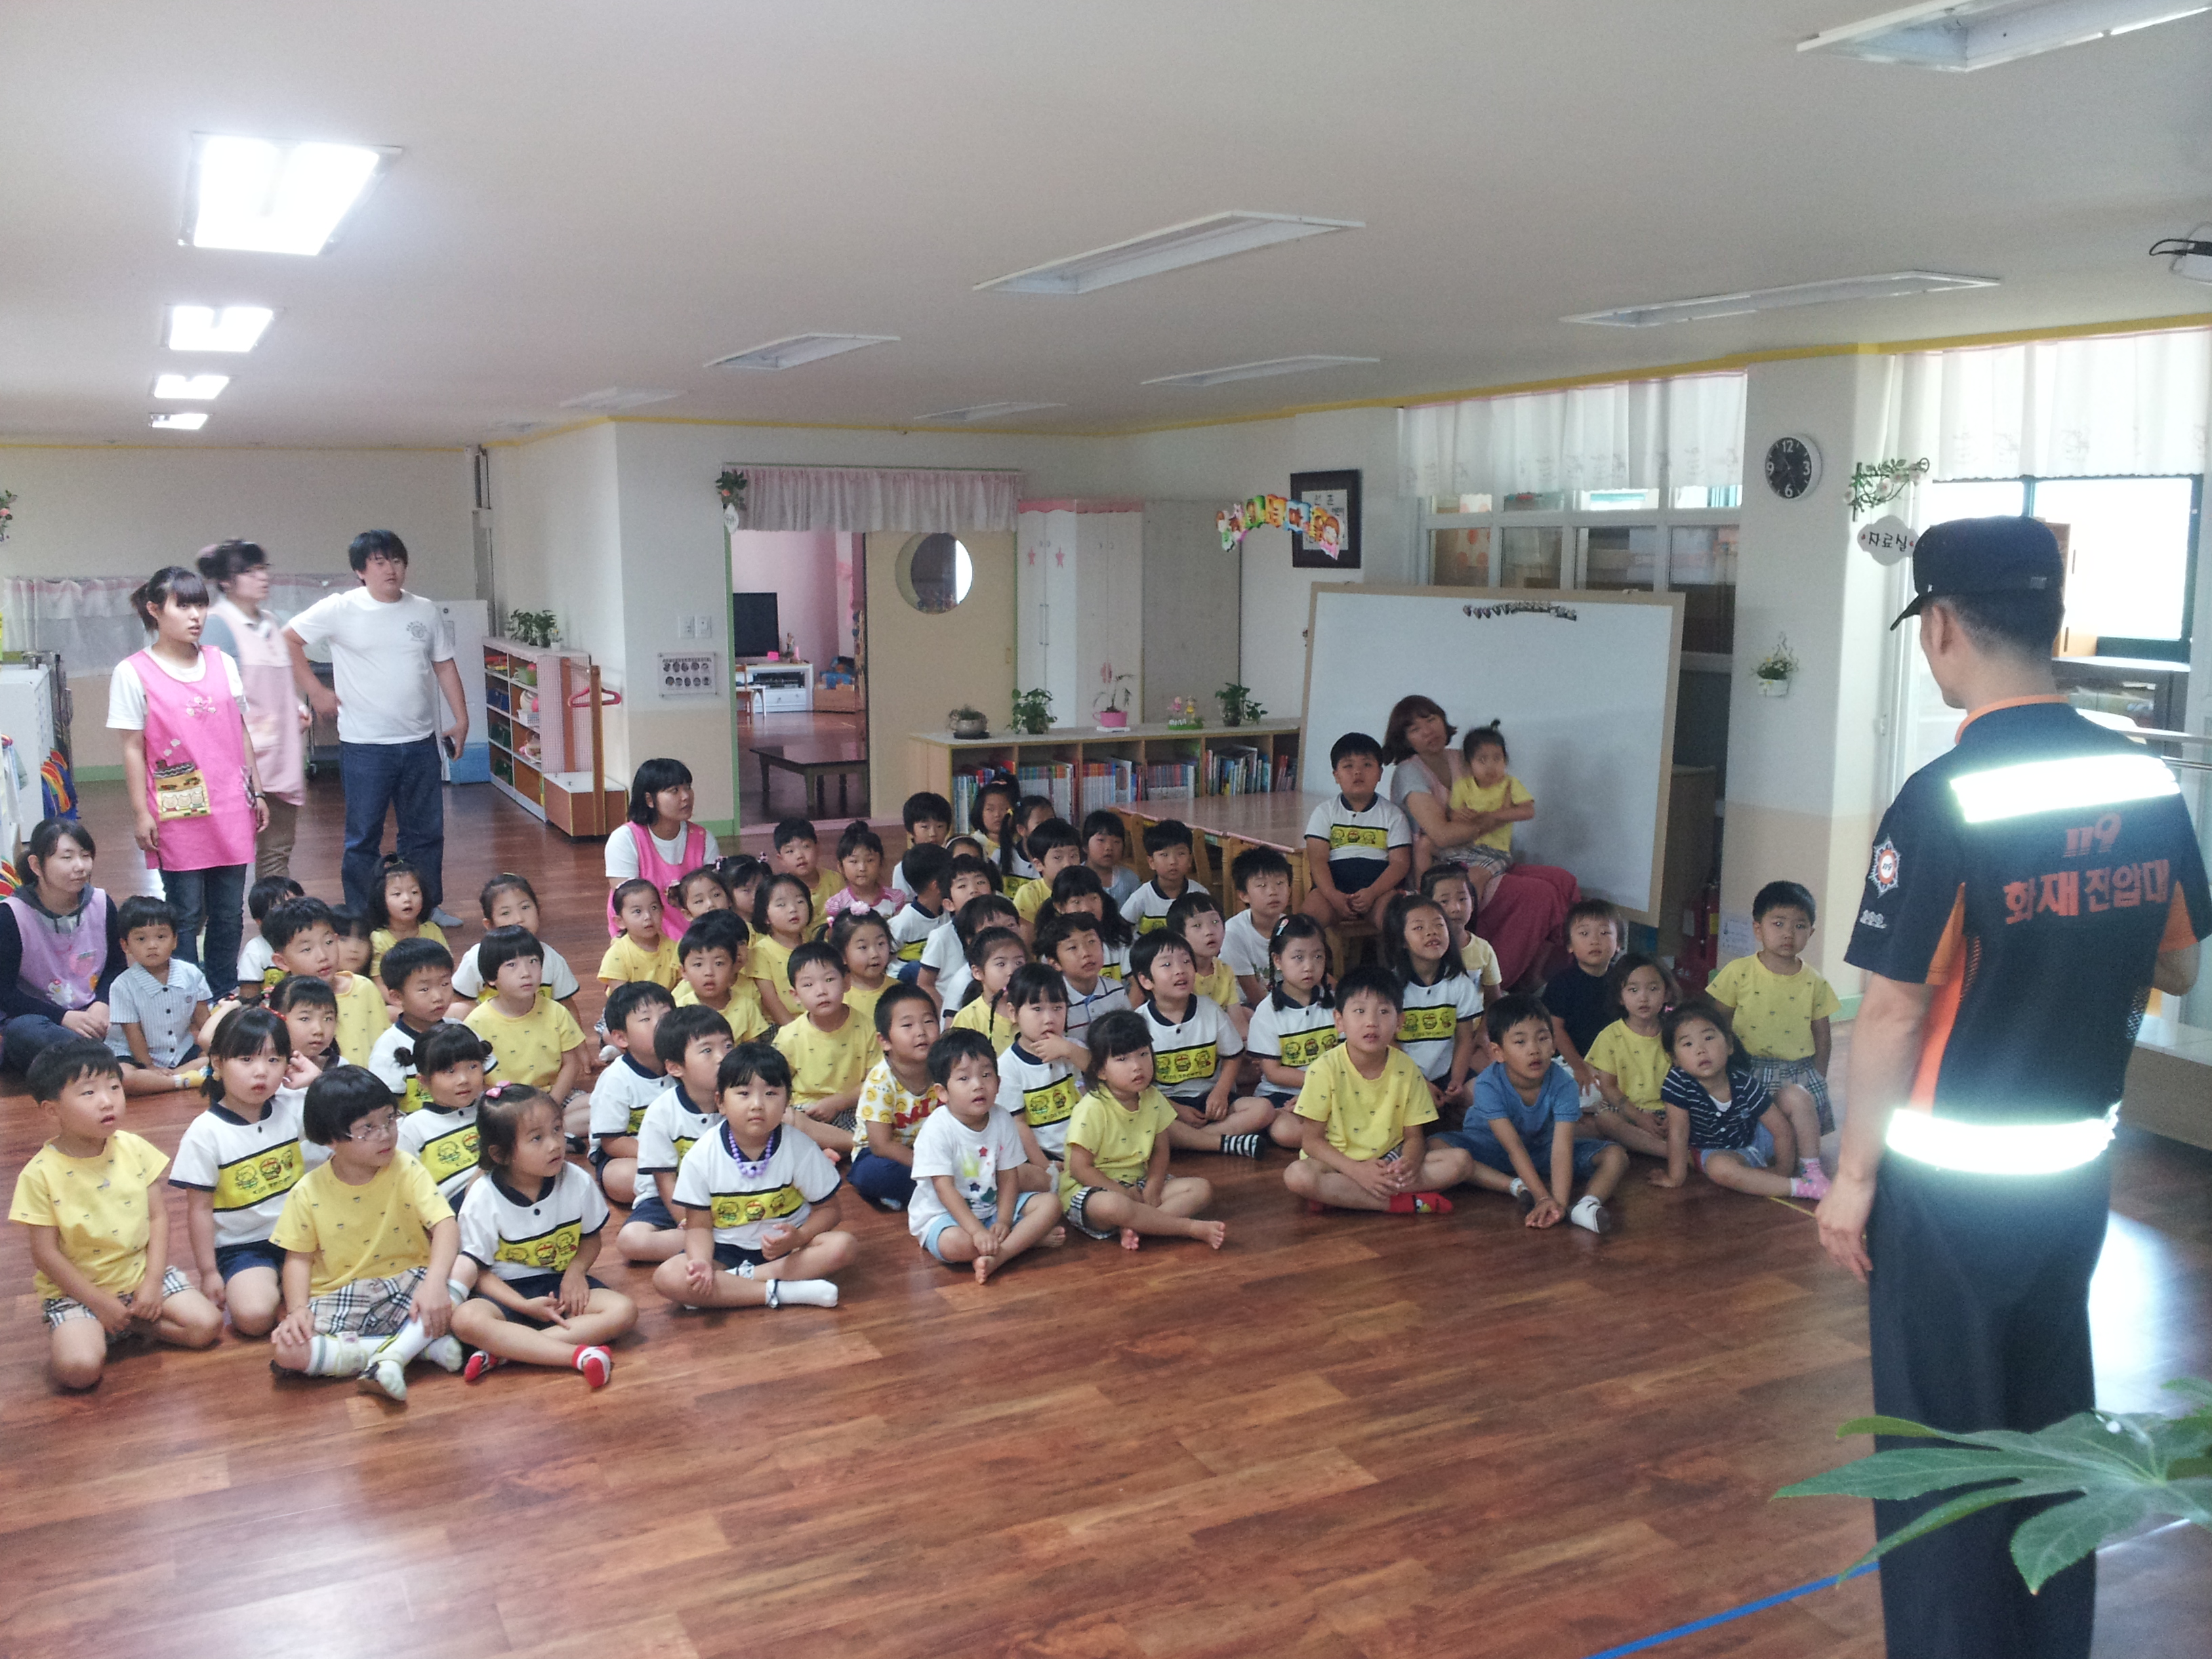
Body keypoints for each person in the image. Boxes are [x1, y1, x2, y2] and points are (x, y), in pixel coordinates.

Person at [1814, 516, 2209, 1659]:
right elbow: (2176, 963)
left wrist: (1850, 1180)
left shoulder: (1946, 795)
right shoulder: (2139, 775)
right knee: (2046, 1435)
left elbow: (1892, 1010)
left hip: (1946, 1185)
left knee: (1942, 1453)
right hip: (2074, 1170)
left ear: (1940, 626)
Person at [12, 1040, 224, 1387]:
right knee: (79, 1370)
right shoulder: (39, 1175)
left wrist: (152, 1284)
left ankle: (135, 1324)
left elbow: (158, 1218)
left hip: (138, 1275)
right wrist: (99, 1303)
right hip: (78, 1292)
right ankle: (101, 1327)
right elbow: (45, 1254)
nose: (107, 1101)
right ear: (52, 1110)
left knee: (207, 1326)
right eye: (88, 1093)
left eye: (114, 1087)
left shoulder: (134, 1148)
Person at [284, 531, 469, 922]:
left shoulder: (424, 610)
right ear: (360, 571)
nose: (391, 570)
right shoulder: (341, 608)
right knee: (363, 836)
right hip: (365, 745)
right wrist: (316, 691)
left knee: (424, 833)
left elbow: (444, 665)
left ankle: (425, 907)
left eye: (397, 561)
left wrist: (461, 717)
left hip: (419, 742)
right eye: (380, 562)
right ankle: (362, 913)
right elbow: (288, 640)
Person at [110, 565, 268, 999]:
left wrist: (256, 791)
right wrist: (141, 813)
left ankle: (223, 991)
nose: (196, 615)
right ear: (154, 610)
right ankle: (187, 996)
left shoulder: (222, 662)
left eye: (201, 605)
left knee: (229, 912)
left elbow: (240, 730)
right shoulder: (133, 671)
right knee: (185, 911)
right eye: (183, 606)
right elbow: (132, 747)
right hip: (176, 807)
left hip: (231, 802)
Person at [268, 1065, 469, 1402]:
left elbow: (445, 1225)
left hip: (410, 1284)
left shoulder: (406, 1167)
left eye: (390, 1119)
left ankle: (390, 1354)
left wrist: (434, 1283)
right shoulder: (307, 1191)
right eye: (367, 1128)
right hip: (343, 1294)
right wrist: (298, 1310)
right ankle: (411, 1349)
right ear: (330, 1138)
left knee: (464, 1272)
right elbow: (298, 1260)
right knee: (286, 1350)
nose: (386, 1134)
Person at [1382, 695, 1579, 987]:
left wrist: (1490, 818)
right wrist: (1495, 818)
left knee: (1564, 882)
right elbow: (1442, 835)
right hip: (1442, 867)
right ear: (1405, 739)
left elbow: (1504, 799)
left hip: (1485, 852)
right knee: (1538, 895)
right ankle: (1490, 986)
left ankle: (1550, 981)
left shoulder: (1461, 757)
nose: (1427, 731)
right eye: (1414, 729)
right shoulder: (1409, 771)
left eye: (1431, 720)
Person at [451, 1082, 634, 1388]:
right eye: (537, 1138)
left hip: (560, 1286)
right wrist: (522, 1305)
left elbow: (591, 1238)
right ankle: (575, 1355)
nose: (555, 1144)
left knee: (624, 1311)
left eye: (557, 1130)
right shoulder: (482, 1197)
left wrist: (575, 1273)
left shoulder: (577, 1181)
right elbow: (479, 1272)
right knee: (465, 1320)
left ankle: (508, 1351)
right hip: (505, 1294)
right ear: (500, 1154)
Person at [655, 1042, 854, 1311]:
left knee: (842, 1246)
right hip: (724, 1249)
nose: (757, 1105)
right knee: (668, 1276)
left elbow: (830, 1210)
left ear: (787, 1103)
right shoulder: (702, 1155)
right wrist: (701, 1262)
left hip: (787, 1251)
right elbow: (699, 1227)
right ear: (720, 1102)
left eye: (771, 1093)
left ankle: (735, 1285)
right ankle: (783, 1291)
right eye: (744, 1093)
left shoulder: (800, 1147)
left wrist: (799, 1237)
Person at [170, 1006, 327, 1338]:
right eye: (246, 1059)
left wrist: (317, 1082)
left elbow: (347, 1123)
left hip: (302, 1234)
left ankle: (288, 1290)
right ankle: (284, 1291)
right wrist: (209, 1272)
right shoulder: (205, 1133)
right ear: (217, 1063)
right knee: (253, 1318)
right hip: (243, 1246)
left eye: (274, 1060)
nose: (261, 1072)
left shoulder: (292, 1107)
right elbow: (199, 1210)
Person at [1431, 994, 1628, 1233]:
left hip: (1540, 1150)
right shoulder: (1487, 1085)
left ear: (1553, 1045)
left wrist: (1558, 1204)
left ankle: (1586, 1205)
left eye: (1542, 1038)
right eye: (1520, 1042)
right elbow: (1513, 1147)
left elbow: (1562, 1147)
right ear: (1498, 1052)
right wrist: (1542, 1197)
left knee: (1615, 1155)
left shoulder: (1564, 1084)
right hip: (1488, 1150)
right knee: (1435, 1145)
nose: (1534, 1050)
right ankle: (1515, 1186)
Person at [1279, 967, 1458, 1215]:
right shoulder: (1324, 1069)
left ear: (1400, 1022)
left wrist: (1409, 1163)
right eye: (1360, 1011)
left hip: (1390, 1160)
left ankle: (1343, 1196)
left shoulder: (1407, 1068)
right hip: (1339, 1163)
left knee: (1460, 1162)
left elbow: (1414, 1136)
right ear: (1339, 1021)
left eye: (1384, 1012)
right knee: (1298, 1176)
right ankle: (1397, 1203)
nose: (1372, 1022)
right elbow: (1311, 1141)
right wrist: (1357, 1171)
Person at [1059, 1010, 1228, 1250]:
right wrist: (1121, 1192)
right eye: (1122, 1059)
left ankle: (1139, 1226)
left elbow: (1160, 1149)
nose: (1137, 1066)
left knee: (1201, 1189)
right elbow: (1079, 1169)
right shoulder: (1092, 1108)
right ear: (1100, 1070)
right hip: (1095, 1189)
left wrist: (1154, 1186)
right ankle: (1188, 1228)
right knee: (1113, 1207)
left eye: (1143, 1054)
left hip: (1139, 1181)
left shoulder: (1153, 1097)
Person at [909, 1027, 1065, 1282]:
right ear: (942, 1092)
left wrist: (1003, 1220)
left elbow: (1008, 1176)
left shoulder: (1002, 1118)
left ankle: (1001, 1253)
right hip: (946, 1216)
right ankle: (1022, 1242)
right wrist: (976, 1232)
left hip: (992, 1209)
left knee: (1051, 1204)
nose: (978, 1085)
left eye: (986, 1075)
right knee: (955, 1244)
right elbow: (944, 1189)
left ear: (999, 1082)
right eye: (964, 1078)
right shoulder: (937, 1129)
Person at [197, 540, 308, 879]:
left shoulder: (271, 622)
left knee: (277, 853)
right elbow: (215, 699)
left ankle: (275, 913)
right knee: (228, 857)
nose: (262, 577)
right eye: (249, 571)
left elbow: (275, 684)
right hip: (242, 762)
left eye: (263, 569)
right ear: (226, 581)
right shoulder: (217, 624)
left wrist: (295, 706)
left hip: (282, 757)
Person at [1650, 1000, 1828, 1202]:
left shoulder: (1743, 1082)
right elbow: (1678, 1133)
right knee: (1718, 1168)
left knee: (1797, 1095)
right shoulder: (1677, 1083)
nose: (1701, 1049)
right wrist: (1675, 1178)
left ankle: (1811, 1171)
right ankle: (1800, 1188)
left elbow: (1781, 1130)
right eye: (1688, 1044)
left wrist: (1782, 1170)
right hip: (1722, 1154)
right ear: (1675, 1059)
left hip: (1758, 1139)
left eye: (1708, 1038)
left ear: (1729, 1045)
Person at [1705, 880, 1841, 1134]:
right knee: (1751, 1132)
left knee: (1800, 1131)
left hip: (1799, 1070)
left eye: (1799, 926)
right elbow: (1718, 1020)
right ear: (1758, 929)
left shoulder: (1815, 982)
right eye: (1778, 924)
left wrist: (1818, 1075)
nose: (1788, 933)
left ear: (1811, 933)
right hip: (1747, 1065)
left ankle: (1805, 1159)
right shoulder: (1738, 971)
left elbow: (1823, 1035)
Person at [1128, 931, 1271, 1158]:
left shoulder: (1210, 1009)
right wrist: (1176, 1110)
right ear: (1146, 980)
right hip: (1166, 1105)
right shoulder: (1139, 1023)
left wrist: (1221, 1092)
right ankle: (1219, 1142)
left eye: (1186, 961)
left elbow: (1233, 1057)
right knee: (1145, 1121)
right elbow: (1140, 1084)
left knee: (1263, 1110)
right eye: (1167, 965)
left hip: (1210, 1098)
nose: (1180, 970)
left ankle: (1191, 1141)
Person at [0, 819, 125, 1076]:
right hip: (44, 1019)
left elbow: (116, 966)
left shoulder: (101, 902)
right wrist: (63, 1018)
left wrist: (102, 1003)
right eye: (67, 858)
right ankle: (106, 1059)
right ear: (36, 865)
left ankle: (87, 1061)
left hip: (95, 1014)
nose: (80, 866)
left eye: (86, 855)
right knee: (24, 1033)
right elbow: (5, 993)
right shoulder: (12, 915)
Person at [615, 1006, 733, 1263]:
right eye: (707, 1050)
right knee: (632, 1240)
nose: (722, 1057)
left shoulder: (740, 1100)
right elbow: (665, 1181)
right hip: (671, 1199)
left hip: (731, 1196)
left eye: (728, 1046)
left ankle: (726, 1241)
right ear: (675, 1067)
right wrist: (689, 1224)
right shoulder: (662, 1112)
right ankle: (729, 1242)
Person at [1380, 892, 1483, 1115]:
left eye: (1439, 925)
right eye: (1419, 927)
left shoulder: (1459, 983)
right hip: (1404, 1073)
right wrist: (1419, 1082)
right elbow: (1389, 1044)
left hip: (1446, 1073)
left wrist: (1456, 1082)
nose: (1432, 932)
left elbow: (1465, 1039)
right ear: (1402, 941)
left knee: (1481, 1095)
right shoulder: (1391, 986)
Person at [463, 928, 586, 1110]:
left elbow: (571, 1064)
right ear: (490, 977)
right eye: (512, 965)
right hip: (503, 1104)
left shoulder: (556, 1011)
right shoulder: (476, 1022)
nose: (526, 972)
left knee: (597, 1106)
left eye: (533, 961)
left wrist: (552, 1104)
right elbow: (472, 1074)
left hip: (552, 1095)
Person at [1301, 732, 1412, 929]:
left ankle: (1389, 951)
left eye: (1367, 765)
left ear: (1380, 773)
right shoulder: (1324, 812)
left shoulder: (1393, 815)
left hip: (1379, 891)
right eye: (1348, 766)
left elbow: (1400, 863)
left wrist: (1372, 892)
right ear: (1336, 775)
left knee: (1396, 921)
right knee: (1305, 923)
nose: (1358, 772)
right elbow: (1317, 859)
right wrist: (1333, 896)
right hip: (1332, 890)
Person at [1246, 914, 1338, 1148]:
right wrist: (1315, 1087)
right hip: (1282, 1094)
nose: (1309, 966)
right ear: (1277, 960)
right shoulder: (1267, 1012)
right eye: (1298, 958)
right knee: (1285, 1131)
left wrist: (1322, 1091)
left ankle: (1331, 1136)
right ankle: (1338, 1139)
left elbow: (1350, 1055)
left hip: (1332, 1089)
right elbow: (1274, 1073)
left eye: (1318, 956)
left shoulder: (1337, 1004)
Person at [774, 940, 875, 1156]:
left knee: (883, 1120)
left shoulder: (867, 1028)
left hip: (853, 1108)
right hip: (808, 1114)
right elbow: (776, 1084)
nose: (821, 991)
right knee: (787, 1119)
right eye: (808, 985)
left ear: (846, 982)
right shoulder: (788, 1036)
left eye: (829, 980)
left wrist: (839, 1102)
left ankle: (830, 1150)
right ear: (795, 995)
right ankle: (855, 1146)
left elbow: (875, 1081)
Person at [104, 895, 213, 1094]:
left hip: (181, 1051)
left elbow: (203, 1019)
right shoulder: (122, 985)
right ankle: (182, 1079)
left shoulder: (192, 974)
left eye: (161, 937)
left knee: (216, 1059)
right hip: (135, 1056)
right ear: (125, 945)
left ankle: (170, 1078)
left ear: (175, 940)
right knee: (124, 1077)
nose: (152, 945)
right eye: (141, 939)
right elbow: (133, 1033)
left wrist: (213, 1051)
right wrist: (149, 1067)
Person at [849, 983, 943, 1212]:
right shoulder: (880, 1081)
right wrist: (929, 1167)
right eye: (908, 1025)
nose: (921, 1031)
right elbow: (881, 1145)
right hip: (885, 1155)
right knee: (871, 1174)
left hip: (935, 1150)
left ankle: (936, 1191)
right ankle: (944, 1190)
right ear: (885, 1041)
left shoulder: (944, 1068)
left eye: (928, 1021)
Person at [602, 758, 717, 940]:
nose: (686, 796)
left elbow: (716, 896)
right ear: (650, 800)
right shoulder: (625, 839)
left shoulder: (704, 838)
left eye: (688, 787)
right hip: (644, 939)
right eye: (674, 791)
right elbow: (628, 904)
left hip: (697, 939)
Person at [995, 963, 1090, 1181]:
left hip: (1088, 1146)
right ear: (1013, 1013)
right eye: (1037, 1009)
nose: (1049, 1019)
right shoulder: (1008, 1067)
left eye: (1058, 1008)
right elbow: (1019, 1125)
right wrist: (1045, 1165)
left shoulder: (1073, 1048)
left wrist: (1069, 1051)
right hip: (1046, 1156)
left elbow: (1104, 1074)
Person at [587, 980, 676, 1205]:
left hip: (679, 1146)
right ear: (621, 1038)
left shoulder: (682, 1066)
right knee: (622, 1177)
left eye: (666, 1016)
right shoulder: (616, 1078)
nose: (660, 1024)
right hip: (626, 1153)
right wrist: (662, 1154)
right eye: (646, 1019)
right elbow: (613, 1142)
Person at [1581, 954, 1676, 1160]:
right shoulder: (1610, 1036)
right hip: (1626, 1109)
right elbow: (1608, 1087)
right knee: (1605, 1119)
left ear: (1667, 993)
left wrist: (1675, 1114)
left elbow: (1685, 1080)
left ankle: (1646, 1142)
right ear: (1620, 997)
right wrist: (1639, 1117)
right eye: (1633, 990)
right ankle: (1671, 1152)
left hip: (1669, 1110)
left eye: (1653, 989)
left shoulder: (1675, 1032)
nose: (1643, 998)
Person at [451, 874, 582, 1019]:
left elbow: (567, 1006)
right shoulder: (475, 958)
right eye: (505, 913)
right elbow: (459, 1001)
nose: (519, 919)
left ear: (538, 911)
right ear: (490, 925)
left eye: (525, 907)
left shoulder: (552, 958)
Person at [393, 1024, 491, 1204]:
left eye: (472, 1067)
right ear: (423, 1081)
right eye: (450, 1071)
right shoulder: (413, 1128)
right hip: (452, 1207)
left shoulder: (492, 1108)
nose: (463, 1080)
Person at [1445, 722, 1536, 905]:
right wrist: (1459, 816)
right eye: (1482, 760)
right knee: (1425, 846)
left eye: (1497, 759)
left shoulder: (1510, 784)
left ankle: (1472, 918)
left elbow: (1528, 811)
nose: (1491, 766)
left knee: (1473, 878)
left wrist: (1495, 815)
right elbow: (1452, 814)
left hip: (1496, 852)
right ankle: (1419, 896)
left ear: (1505, 760)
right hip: (1466, 846)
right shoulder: (1464, 786)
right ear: (1469, 764)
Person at [1545, 899, 1623, 1097]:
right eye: (1584, 934)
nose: (1595, 940)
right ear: (1570, 945)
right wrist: (1579, 1066)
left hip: (1612, 1062)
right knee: (1581, 1095)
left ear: (1619, 944)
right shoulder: (1562, 983)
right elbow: (1555, 1029)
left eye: (1604, 933)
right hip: (1570, 1059)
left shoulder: (1623, 982)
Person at [1035, 911, 1128, 1050]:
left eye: (1092, 942)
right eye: (1073, 947)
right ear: (1055, 963)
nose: (1086, 953)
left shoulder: (1116, 991)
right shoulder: (1052, 1002)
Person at [673, 910, 768, 1039]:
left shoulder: (746, 1006)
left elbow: (753, 1048)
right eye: (698, 965)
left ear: (734, 967)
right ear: (684, 972)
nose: (709, 972)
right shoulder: (679, 1010)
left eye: (719, 963)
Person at [1223, 846, 1295, 1006]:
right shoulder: (1234, 933)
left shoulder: (1293, 927)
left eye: (1280, 883)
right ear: (1244, 895)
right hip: (1246, 1006)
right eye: (1262, 885)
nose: (1273, 892)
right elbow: (1254, 996)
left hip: (1287, 1002)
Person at [745, 873, 813, 1025]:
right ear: (765, 916)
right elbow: (772, 1003)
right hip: (783, 1027)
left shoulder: (815, 942)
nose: (793, 909)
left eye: (800, 901)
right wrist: (798, 1035)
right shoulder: (760, 952)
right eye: (781, 905)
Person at [365, 856, 446, 979]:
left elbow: (446, 968)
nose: (407, 899)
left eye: (414, 892)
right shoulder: (379, 939)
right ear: (381, 900)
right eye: (397, 894)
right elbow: (378, 981)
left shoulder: (432, 930)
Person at [949, 926, 1027, 1052]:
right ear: (978, 972)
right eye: (1001, 964)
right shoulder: (968, 1018)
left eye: (1019, 963)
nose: (1012, 971)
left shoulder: (1035, 1007)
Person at [1120, 820, 1205, 936]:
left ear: (1190, 860)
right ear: (1151, 862)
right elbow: (1122, 927)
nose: (1173, 861)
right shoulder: (1142, 897)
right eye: (1164, 855)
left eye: (1181, 854)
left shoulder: (1199, 894)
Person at [598, 878, 681, 991]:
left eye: (654, 908)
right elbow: (621, 996)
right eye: (637, 911)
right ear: (620, 922)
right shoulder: (617, 955)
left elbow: (682, 988)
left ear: (663, 911)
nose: (648, 916)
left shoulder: (675, 949)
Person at [888, 844, 954, 985]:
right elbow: (884, 952)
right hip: (905, 980)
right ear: (936, 885)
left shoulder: (948, 911)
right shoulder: (905, 921)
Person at [237, 874, 303, 1002]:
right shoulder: (255, 951)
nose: (293, 915)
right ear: (260, 922)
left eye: (298, 907)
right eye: (282, 911)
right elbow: (248, 998)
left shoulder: (311, 939)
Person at [824, 820, 903, 923]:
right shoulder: (838, 904)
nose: (862, 868)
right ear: (841, 867)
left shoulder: (894, 900)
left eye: (870, 860)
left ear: (881, 863)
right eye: (854, 861)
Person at [1011, 818, 1083, 926]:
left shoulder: (1087, 888)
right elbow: (1026, 935)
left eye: (1074, 856)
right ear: (1038, 864)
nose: (1068, 864)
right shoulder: (1030, 894)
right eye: (1058, 857)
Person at [833, 909, 896, 1031]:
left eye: (881, 944)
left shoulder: (898, 991)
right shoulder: (836, 996)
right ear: (842, 955)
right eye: (863, 947)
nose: (874, 954)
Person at [773, 818, 847, 920]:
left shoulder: (835, 880)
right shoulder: (781, 890)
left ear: (817, 848)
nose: (800, 856)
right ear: (781, 859)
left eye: (806, 846)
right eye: (790, 851)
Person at [889, 791, 955, 899]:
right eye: (925, 827)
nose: (933, 833)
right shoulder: (902, 869)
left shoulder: (953, 861)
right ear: (911, 829)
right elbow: (903, 904)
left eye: (940, 826)